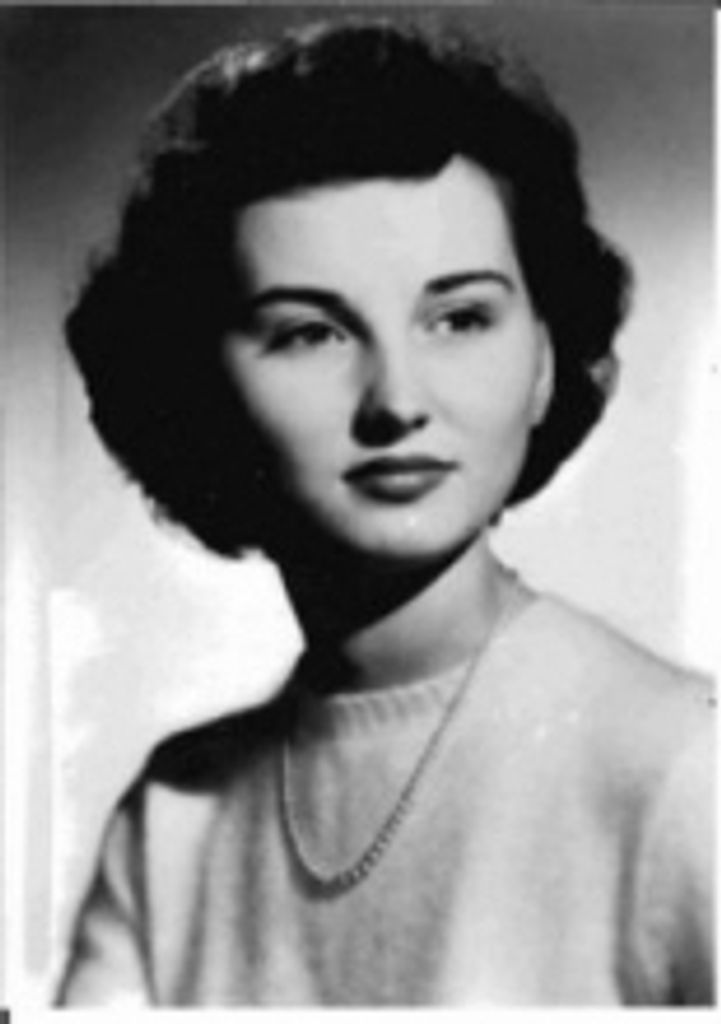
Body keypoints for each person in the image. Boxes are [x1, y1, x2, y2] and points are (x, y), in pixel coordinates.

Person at [56, 16, 714, 1007]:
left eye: (459, 318)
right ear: (199, 390)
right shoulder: (173, 821)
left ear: (544, 360)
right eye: (310, 332)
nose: (396, 401)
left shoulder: (684, 772)